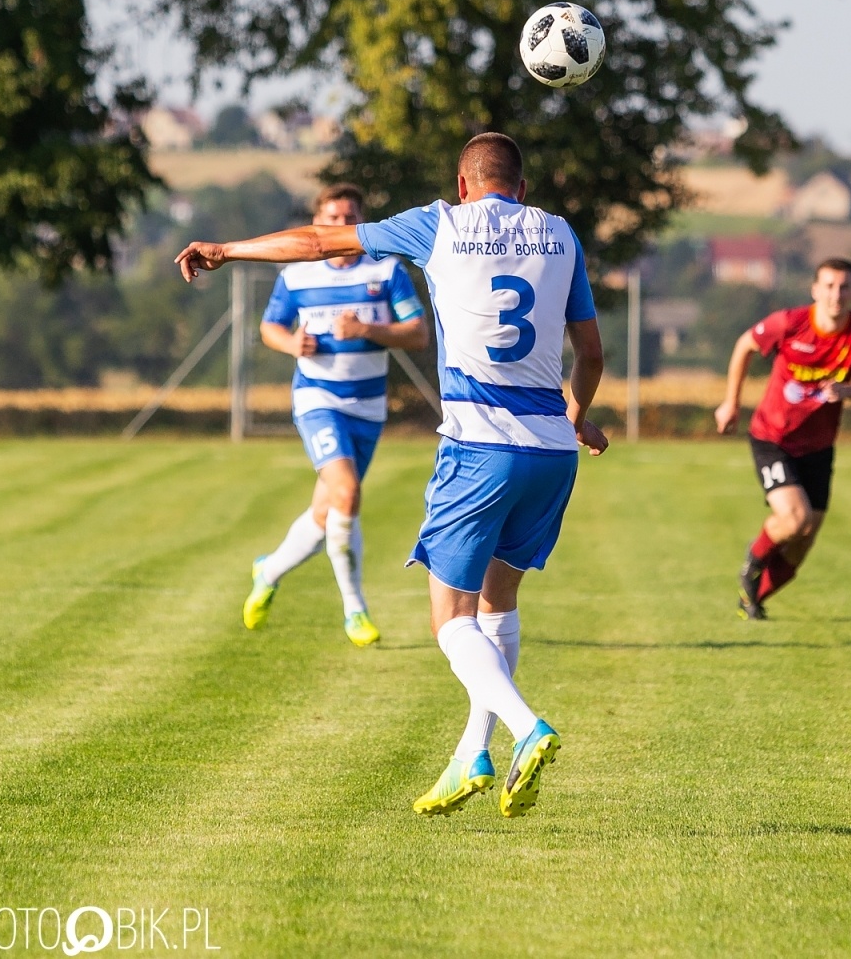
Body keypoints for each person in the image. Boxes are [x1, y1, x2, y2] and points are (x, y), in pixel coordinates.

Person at [177, 133, 607, 820]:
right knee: (497, 605)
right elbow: (591, 352)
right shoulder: (561, 234)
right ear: (523, 189)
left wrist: (227, 250)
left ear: (462, 186)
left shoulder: (440, 224)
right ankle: (472, 754)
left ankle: (528, 727)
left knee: (450, 618)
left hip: (481, 446)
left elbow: (318, 242)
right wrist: (576, 417)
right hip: (552, 453)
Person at [242, 184, 430, 647]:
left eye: (350, 218)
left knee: (327, 511)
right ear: (317, 223)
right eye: (331, 218)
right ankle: (355, 609)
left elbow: (418, 334)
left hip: (368, 406)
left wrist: (367, 329)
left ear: (362, 222)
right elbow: (270, 327)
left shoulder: (386, 270)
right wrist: (292, 343)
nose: (341, 225)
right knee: (347, 494)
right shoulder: (297, 275)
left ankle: (269, 571)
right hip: (317, 399)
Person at [714, 259, 851, 620]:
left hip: (819, 447)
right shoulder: (790, 322)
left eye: (844, 287)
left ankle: (751, 602)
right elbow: (744, 345)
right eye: (829, 286)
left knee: (802, 543)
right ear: (815, 289)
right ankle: (753, 562)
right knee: (795, 519)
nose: (836, 294)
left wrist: (847, 390)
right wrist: (731, 402)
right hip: (773, 438)